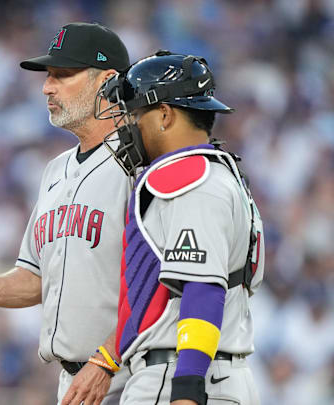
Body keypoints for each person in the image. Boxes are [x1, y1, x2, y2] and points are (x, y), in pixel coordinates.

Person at [0, 22, 133, 405]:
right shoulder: (54, 170)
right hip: (76, 377)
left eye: (63, 75)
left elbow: (161, 280)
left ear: (108, 81)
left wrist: (108, 357)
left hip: (131, 372)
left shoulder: (140, 164)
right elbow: (35, 280)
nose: (47, 87)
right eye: (48, 76)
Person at [93, 51, 265, 404]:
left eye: (135, 114)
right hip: (204, 374)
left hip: (181, 376)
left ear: (165, 115)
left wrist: (186, 389)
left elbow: (202, 289)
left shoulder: (190, 179)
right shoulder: (215, 172)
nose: (126, 126)